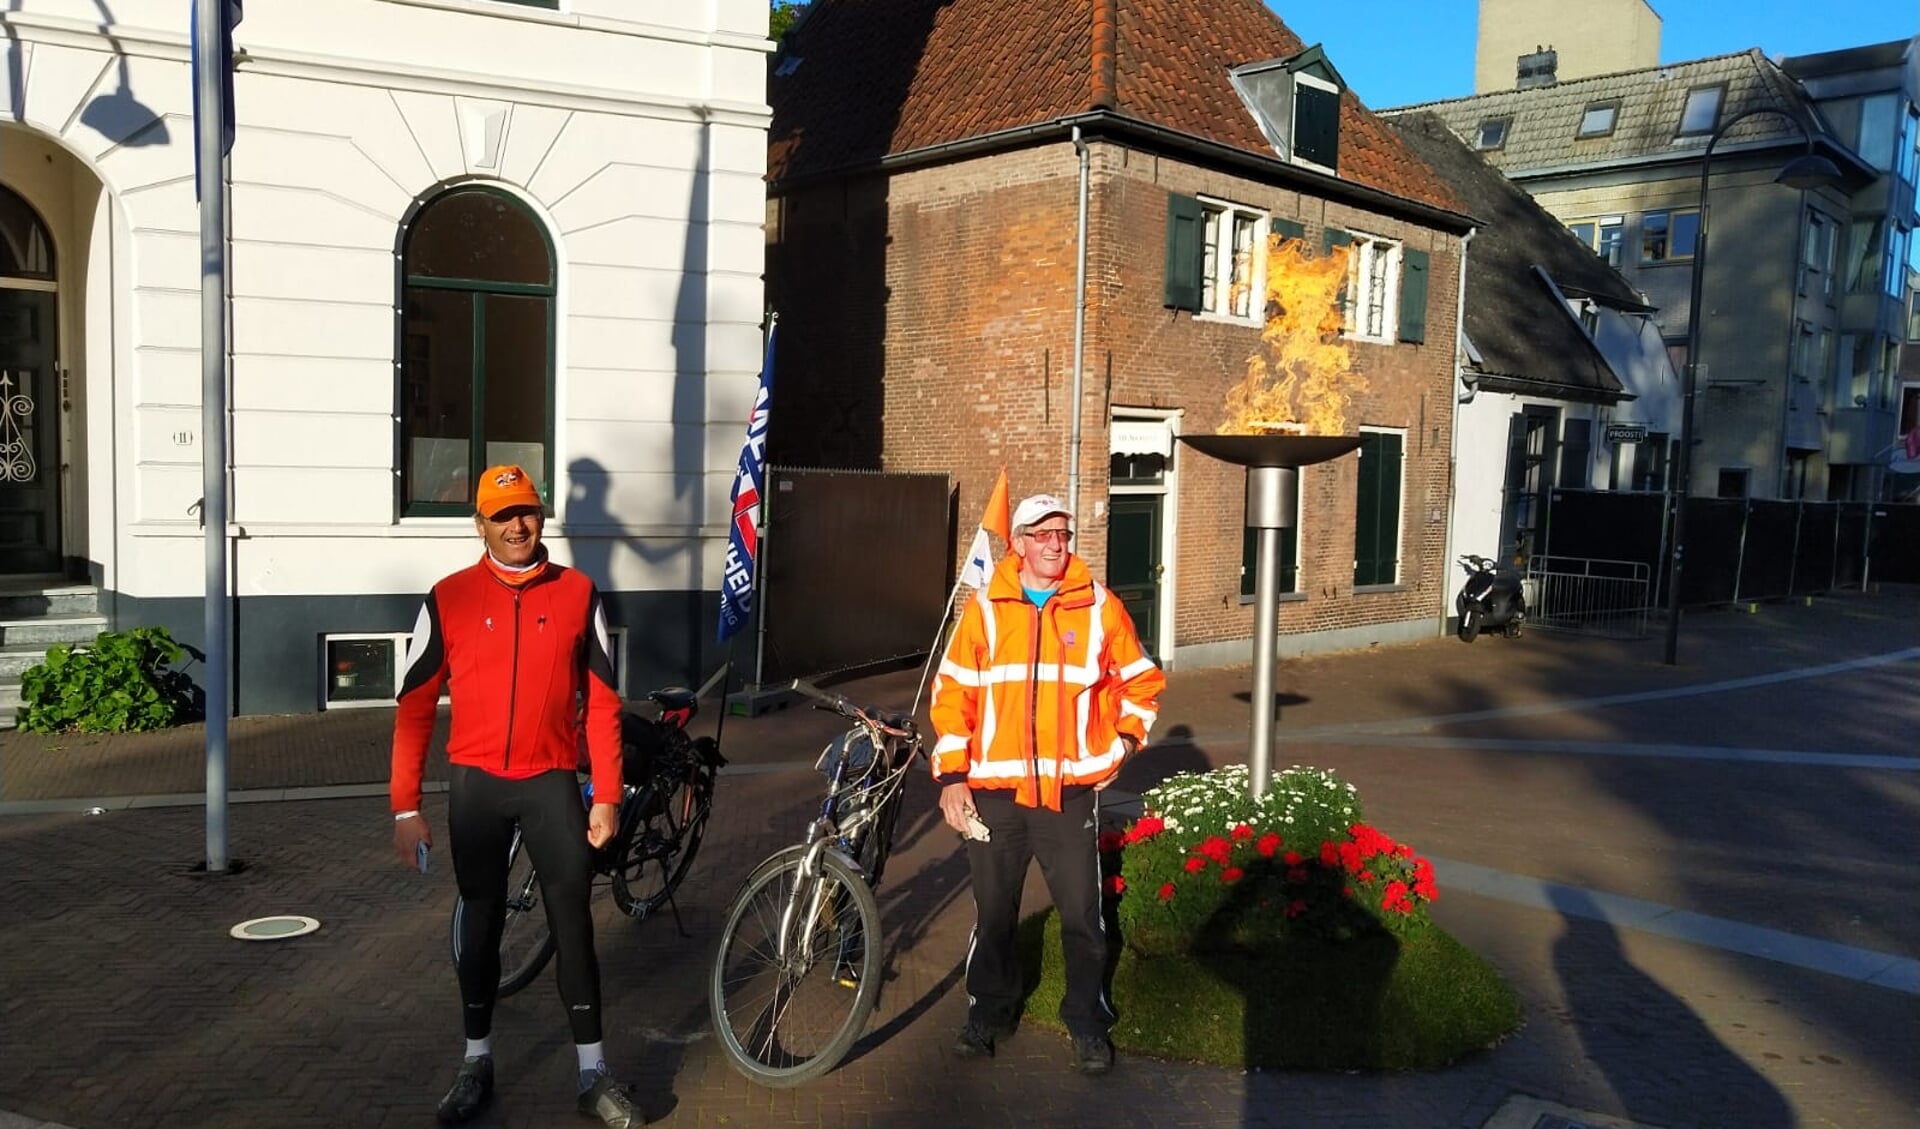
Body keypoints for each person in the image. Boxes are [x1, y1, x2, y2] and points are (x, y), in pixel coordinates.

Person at [389, 464, 641, 1128]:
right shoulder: (448, 598)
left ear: (540, 516)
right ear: (480, 524)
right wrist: (404, 806)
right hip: (476, 787)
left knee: (575, 929)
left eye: (526, 511)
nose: (517, 525)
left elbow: (605, 706)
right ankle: (477, 1060)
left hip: (552, 785)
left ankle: (592, 1072)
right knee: (481, 926)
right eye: (502, 515)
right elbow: (414, 708)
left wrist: (607, 795)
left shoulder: (580, 594)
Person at [929, 492, 1166, 1075]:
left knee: (1084, 915)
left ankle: (1087, 1022)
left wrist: (1124, 744)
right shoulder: (984, 610)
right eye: (1043, 535)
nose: (1057, 545)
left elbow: (1141, 683)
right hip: (994, 797)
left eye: (1063, 534)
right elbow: (952, 694)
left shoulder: (1100, 608)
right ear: (1019, 543)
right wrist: (953, 777)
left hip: (1068, 795)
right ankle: (989, 1013)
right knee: (993, 914)